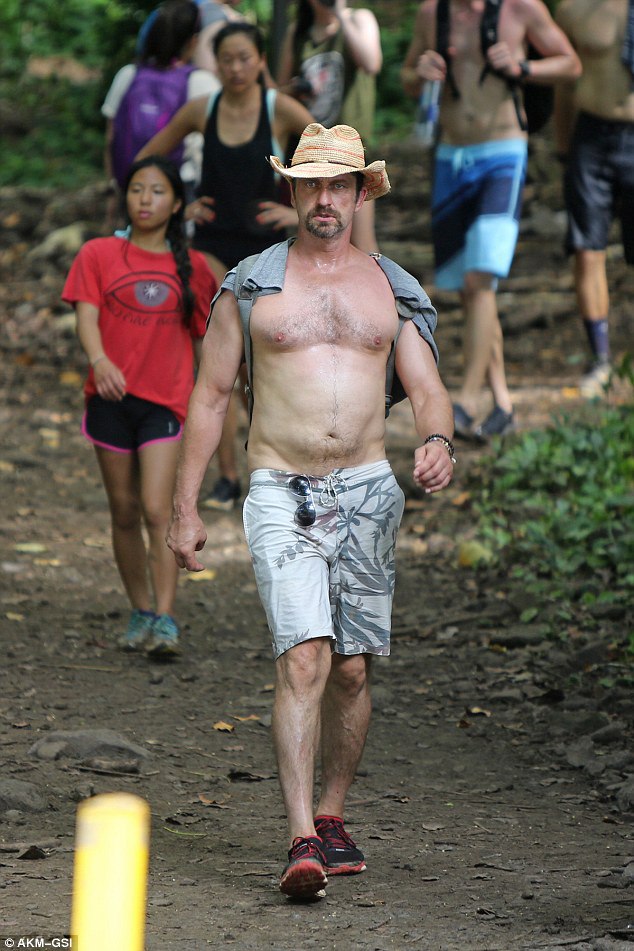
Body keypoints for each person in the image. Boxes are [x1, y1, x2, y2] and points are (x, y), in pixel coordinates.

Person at [165, 123, 455, 899]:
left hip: (366, 488)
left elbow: (427, 387)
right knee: (304, 656)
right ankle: (299, 836)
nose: (325, 198)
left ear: (360, 193)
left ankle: (331, 813)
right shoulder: (251, 283)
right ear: (292, 192)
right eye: (311, 184)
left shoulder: (392, 287)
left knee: (352, 670)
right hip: (280, 488)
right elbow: (211, 395)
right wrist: (185, 506)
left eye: (339, 184)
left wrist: (437, 440)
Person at [138, 22, 313, 511]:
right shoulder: (202, 109)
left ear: (261, 61)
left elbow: (335, 161)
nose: (236, 68)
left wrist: (296, 213)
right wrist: (180, 207)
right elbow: (148, 159)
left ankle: (273, 470)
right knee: (220, 367)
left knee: (266, 368)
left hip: (268, 253)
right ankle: (228, 477)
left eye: (244, 58)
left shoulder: (280, 109)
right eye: (227, 59)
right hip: (212, 250)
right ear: (215, 64)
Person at [401, 0, 581, 439]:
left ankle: (465, 402)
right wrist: (419, 73)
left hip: (503, 152)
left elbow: (570, 64)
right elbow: (407, 79)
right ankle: (502, 403)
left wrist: (523, 67)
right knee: (471, 291)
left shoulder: (521, 8)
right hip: (451, 156)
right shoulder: (432, 14)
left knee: (480, 280)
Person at [62, 157, 217, 658]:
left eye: (157, 191)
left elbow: (205, 341)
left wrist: (213, 399)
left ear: (176, 204)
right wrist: (100, 360)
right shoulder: (98, 253)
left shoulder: (194, 267)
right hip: (109, 399)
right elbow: (86, 317)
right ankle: (141, 610)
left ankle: (166, 619)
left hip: (165, 403)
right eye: (136, 189)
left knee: (155, 507)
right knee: (124, 511)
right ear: (125, 198)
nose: (145, 199)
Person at [555, 0, 634, 398]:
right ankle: (600, 359)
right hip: (592, 136)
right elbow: (564, 80)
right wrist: (562, 143)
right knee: (587, 249)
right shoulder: (575, 8)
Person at [276, 0, 382, 254]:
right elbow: (278, 93)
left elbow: (371, 63)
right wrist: (295, 89)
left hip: (351, 151)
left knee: (362, 242)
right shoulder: (299, 31)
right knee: (315, 238)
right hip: (309, 151)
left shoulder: (359, 18)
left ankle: (377, 279)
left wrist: (340, 15)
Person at [102, 0, 219, 217]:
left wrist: (113, 188)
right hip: (182, 192)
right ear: (193, 41)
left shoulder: (128, 75)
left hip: (133, 188)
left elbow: (111, 139)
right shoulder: (202, 83)